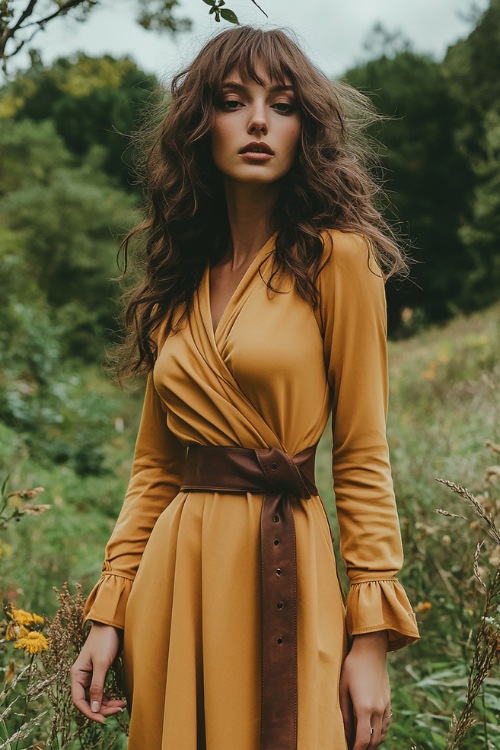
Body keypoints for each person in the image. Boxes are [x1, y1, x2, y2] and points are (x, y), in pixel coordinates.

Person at [71, 25, 420, 750]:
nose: (259, 121)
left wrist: (372, 639)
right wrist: (110, 613)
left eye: (282, 105)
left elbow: (361, 451)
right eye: (234, 102)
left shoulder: (338, 259)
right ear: (202, 127)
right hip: (175, 577)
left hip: (285, 564)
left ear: (304, 129)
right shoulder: (179, 281)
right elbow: (154, 470)